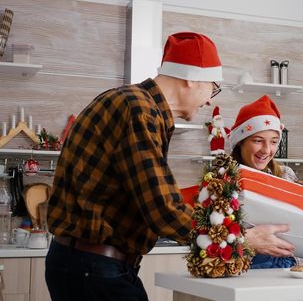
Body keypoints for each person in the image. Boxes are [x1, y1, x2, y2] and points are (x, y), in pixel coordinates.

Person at [44, 32, 288, 301]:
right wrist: (239, 238)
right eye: (212, 88)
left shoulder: (135, 104)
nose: (209, 100)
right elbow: (162, 207)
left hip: (91, 266)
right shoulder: (137, 109)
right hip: (94, 268)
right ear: (191, 79)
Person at [229, 95, 298, 268]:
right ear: (240, 142)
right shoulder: (221, 181)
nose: (267, 150)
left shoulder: (285, 175)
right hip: (240, 267)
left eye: (274, 142)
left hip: (286, 266)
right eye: (258, 141)